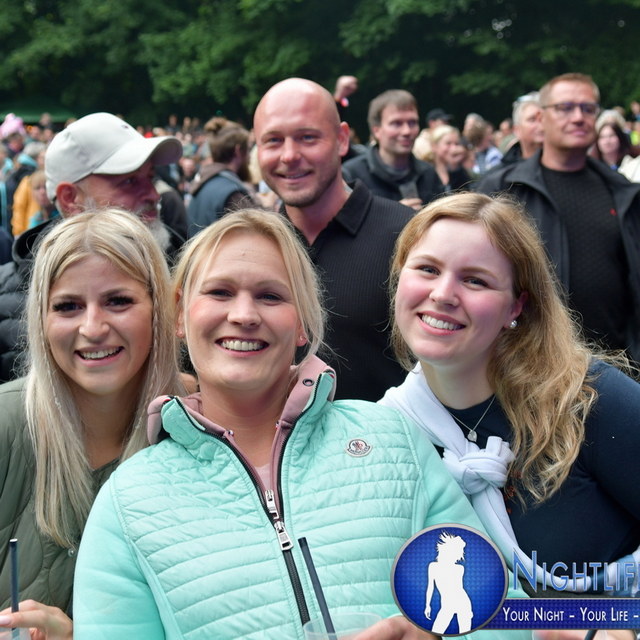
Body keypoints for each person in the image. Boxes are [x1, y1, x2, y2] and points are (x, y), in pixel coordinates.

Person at [73, 208, 527, 640]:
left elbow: (507, 614)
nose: (244, 315)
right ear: (178, 315)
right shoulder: (128, 503)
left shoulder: (393, 441)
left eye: (270, 296)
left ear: (303, 324)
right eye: (219, 293)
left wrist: (436, 634)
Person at [381, 192, 639, 639]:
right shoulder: (386, 432)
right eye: (427, 269)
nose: (442, 294)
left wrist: (615, 627)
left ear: (516, 307)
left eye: (475, 280)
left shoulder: (585, 399)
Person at [0, 209, 182, 638]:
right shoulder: (6, 425)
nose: (93, 327)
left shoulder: (200, 436)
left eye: (118, 301)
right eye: (68, 306)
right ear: (41, 320)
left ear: (159, 309)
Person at [253, 77, 411, 402]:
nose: (289, 155)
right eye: (273, 141)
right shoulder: (252, 248)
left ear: (341, 140)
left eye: (307, 137)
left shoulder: (408, 237)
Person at [0, 111, 183, 383]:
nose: (153, 194)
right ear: (70, 199)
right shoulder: (8, 298)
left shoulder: (184, 276)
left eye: (150, 177)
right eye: (130, 181)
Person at [476, 73, 640, 361]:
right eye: (565, 108)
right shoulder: (503, 190)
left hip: (614, 363)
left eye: (588, 108)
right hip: (525, 363)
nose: (578, 117)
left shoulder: (622, 192)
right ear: (541, 117)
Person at [342, 89, 443, 210]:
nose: (407, 131)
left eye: (412, 122)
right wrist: (393, 214)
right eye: (396, 123)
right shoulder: (352, 174)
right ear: (376, 131)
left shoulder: (428, 173)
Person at [187, 117, 256, 237]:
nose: (249, 157)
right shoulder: (234, 195)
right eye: (248, 149)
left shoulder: (201, 184)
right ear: (238, 151)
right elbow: (256, 238)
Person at [421, 125, 471, 192]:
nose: (454, 148)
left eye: (456, 144)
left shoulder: (461, 173)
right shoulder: (424, 173)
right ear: (434, 146)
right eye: (448, 143)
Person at [499, 92, 543, 166]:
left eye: (543, 119)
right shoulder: (504, 171)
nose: (541, 125)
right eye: (532, 120)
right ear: (517, 130)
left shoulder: (563, 166)